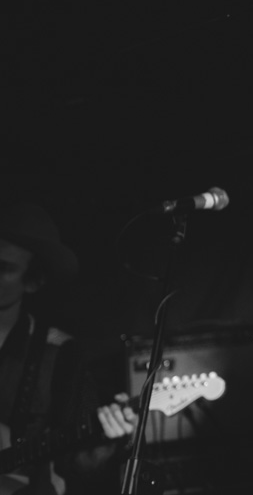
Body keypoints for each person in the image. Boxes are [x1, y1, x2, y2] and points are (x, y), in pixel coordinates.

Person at [0, 201, 137, 494]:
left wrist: (104, 445)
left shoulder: (60, 354)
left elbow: (78, 464)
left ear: (33, 281)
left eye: (3, 268)